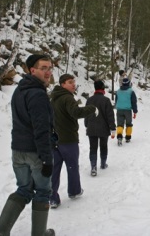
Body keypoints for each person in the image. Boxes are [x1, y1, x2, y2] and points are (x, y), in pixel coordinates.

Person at [0, 54, 55, 236]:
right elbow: (40, 129)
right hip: (35, 152)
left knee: (24, 189)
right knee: (42, 191)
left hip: (18, 150)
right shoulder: (37, 94)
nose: (48, 72)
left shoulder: (20, 90)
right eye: (44, 68)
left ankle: (0, 230)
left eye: (50, 68)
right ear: (32, 70)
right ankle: (39, 233)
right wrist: (47, 158)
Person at [49, 74, 98, 208]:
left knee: (54, 170)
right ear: (62, 84)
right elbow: (76, 112)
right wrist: (92, 109)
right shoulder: (67, 98)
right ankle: (74, 191)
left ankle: (52, 198)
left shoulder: (53, 99)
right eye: (70, 82)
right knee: (72, 167)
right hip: (68, 139)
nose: (73, 84)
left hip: (54, 140)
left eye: (74, 82)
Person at [84, 80, 116, 176]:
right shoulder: (106, 100)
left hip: (92, 128)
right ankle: (103, 164)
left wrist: (87, 124)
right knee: (103, 146)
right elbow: (110, 116)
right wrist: (112, 128)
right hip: (104, 128)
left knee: (92, 148)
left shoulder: (89, 100)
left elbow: (86, 114)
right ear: (103, 88)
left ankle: (93, 167)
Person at [115, 77, 138, 146]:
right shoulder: (131, 91)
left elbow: (116, 101)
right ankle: (127, 137)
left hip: (119, 110)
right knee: (128, 124)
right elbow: (134, 102)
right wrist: (135, 111)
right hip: (128, 110)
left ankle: (119, 136)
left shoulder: (118, 91)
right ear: (129, 83)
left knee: (120, 124)